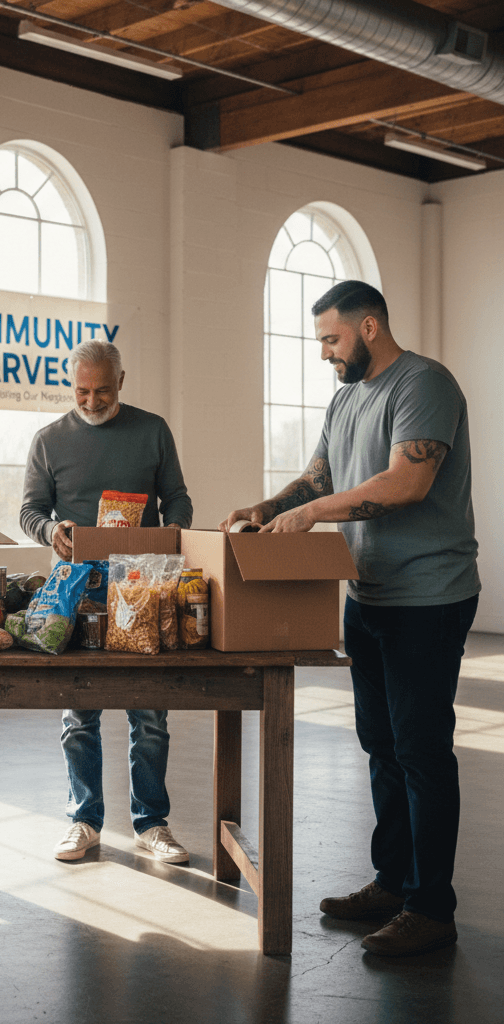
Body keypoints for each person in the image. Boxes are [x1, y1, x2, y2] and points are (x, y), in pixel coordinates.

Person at [221, 280, 479, 958]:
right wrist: (267, 506)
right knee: (381, 744)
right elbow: (317, 478)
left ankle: (432, 908)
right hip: (368, 594)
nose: (325, 355)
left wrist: (309, 516)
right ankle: (392, 883)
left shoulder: (424, 384)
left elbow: (406, 483)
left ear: (369, 327)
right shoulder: (345, 399)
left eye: (331, 340)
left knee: (420, 749)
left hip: (430, 595)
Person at [19, 340, 194, 863]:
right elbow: (30, 511)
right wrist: (52, 531)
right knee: (79, 713)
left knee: (150, 714)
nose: (90, 401)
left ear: (122, 381)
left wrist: (175, 533)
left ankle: (152, 823)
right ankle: (83, 820)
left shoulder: (152, 430)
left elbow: (177, 497)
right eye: (80, 391)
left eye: (101, 390)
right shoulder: (48, 440)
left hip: (141, 585)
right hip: (76, 588)